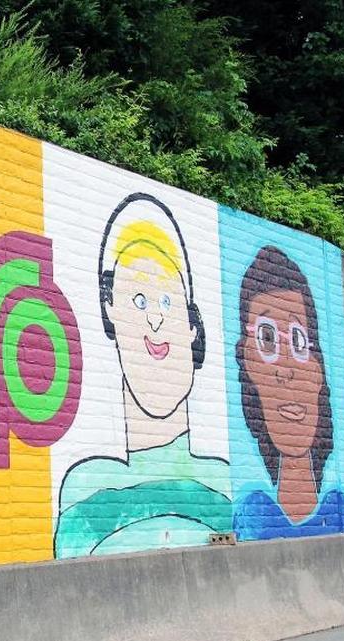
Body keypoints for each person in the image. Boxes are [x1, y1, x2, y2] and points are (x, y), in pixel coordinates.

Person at [54, 193, 231, 558]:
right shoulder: (85, 486)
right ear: (110, 312)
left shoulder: (223, 481)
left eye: (168, 302)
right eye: (138, 300)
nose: (156, 319)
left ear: (192, 326)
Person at [231, 245, 344, 539]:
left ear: (320, 370)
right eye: (267, 340)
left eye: (299, 342)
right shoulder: (251, 513)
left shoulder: (338, 507)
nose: (286, 370)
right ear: (246, 364)